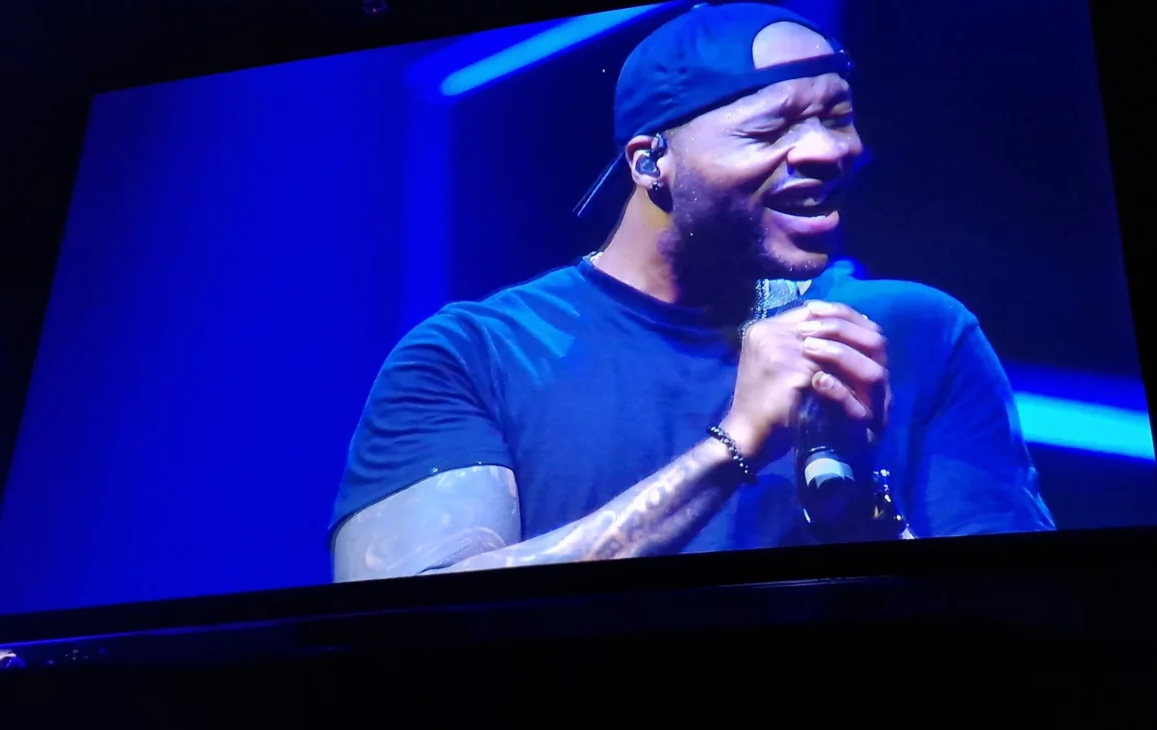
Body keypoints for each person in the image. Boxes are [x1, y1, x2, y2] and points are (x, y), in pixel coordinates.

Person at [331, 2, 1052, 581]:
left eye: (837, 117)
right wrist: (734, 446)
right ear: (651, 163)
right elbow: (404, 619)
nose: (830, 151)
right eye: (771, 129)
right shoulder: (477, 355)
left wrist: (860, 511)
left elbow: (1013, 616)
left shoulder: (919, 332)